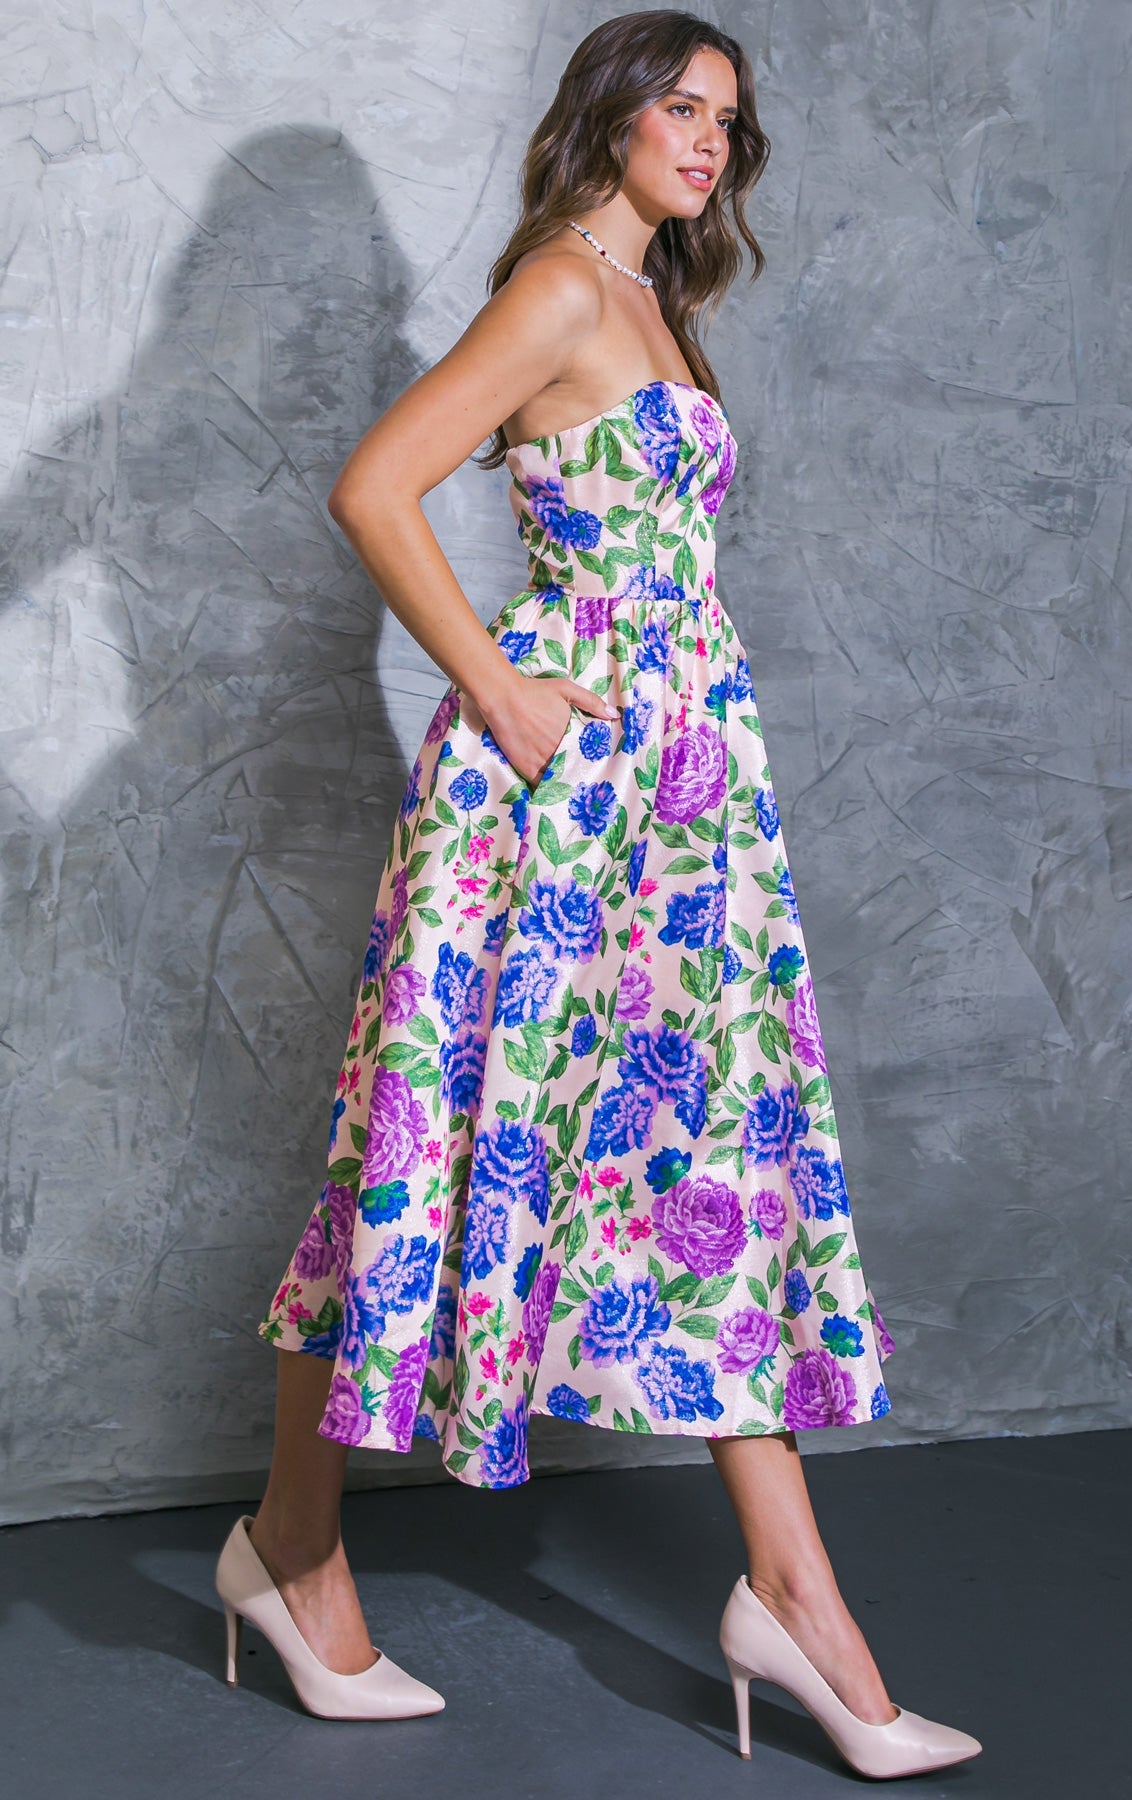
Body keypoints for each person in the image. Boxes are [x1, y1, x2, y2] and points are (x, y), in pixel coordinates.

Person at [215, 11, 981, 1778]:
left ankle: (791, 1601)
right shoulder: (565, 290)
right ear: (611, 119)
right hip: (558, 804)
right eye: (682, 108)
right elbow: (375, 485)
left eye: (731, 116)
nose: (712, 140)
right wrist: (502, 696)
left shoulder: (656, 304)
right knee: (420, 1144)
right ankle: (299, 1553)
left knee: (697, 1162)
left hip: (684, 801)